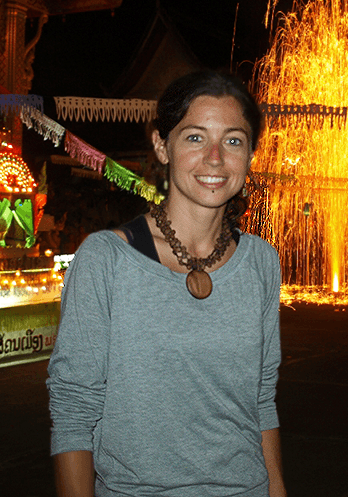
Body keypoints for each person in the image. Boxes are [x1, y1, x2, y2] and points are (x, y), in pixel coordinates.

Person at [47, 71, 286, 497]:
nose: (215, 158)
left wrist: (277, 489)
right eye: (195, 138)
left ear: (250, 154)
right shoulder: (106, 260)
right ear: (163, 145)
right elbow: (73, 413)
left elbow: (261, 399)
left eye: (233, 140)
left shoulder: (261, 263)